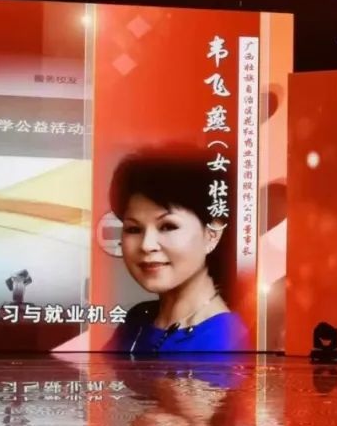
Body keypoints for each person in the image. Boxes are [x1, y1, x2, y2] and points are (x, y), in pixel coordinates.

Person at [106, 147, 248, 353]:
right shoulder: (137, 321)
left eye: (168, 226)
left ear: (212, 234)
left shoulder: (227, 341)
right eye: (134, 229)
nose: (147, 245)